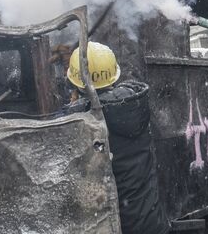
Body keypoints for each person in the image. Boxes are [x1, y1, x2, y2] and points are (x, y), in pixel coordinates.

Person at [64, 42, 170, 234]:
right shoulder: (133, 104)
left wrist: (73, 107)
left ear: (76, 84)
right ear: (114, 76)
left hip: (115, 227)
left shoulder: (81, 121)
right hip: (150, 223)